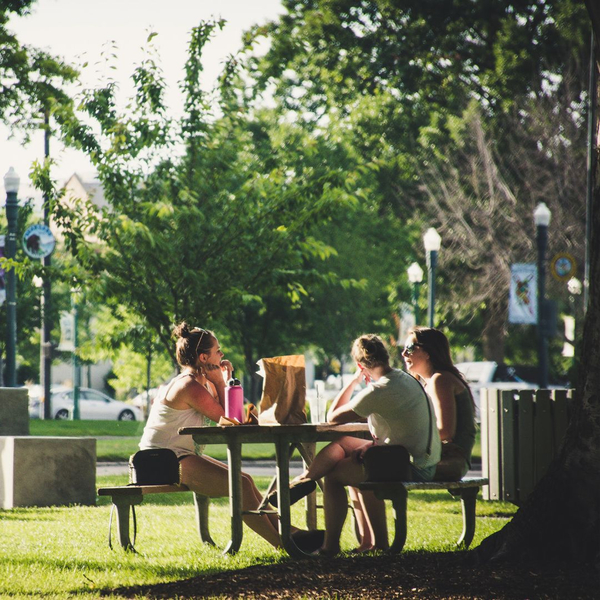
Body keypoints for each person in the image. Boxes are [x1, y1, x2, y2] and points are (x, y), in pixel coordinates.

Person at [268, 333, 441, 555]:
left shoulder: (380, 390)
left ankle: (330, 547)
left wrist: (353, 380)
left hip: (412, 466)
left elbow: (332, 416)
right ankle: (305, 479)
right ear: (386, 356)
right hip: (418, 458)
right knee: (343, 443)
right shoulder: (405, 378)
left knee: (333, 476)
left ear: (361, 365)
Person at [139, 322, 281, 548]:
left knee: (245, 480)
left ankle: (290, 535)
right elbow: (230, 421)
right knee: (241, 486)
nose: (222, 354)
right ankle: (283, 544)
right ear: (204, 358)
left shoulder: (202, 384)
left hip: (177, 455)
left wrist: (224, 381)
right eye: (217, 351)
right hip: (158, 461)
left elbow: (236, 414)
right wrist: (220, 381)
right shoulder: (189, 386)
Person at [402, 326, 477, 481]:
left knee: (377, 470)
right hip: (440, 457)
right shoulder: (429, 383)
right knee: (369, 466)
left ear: (428, 352)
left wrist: (406, 440)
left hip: (452, 461)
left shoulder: (440, 380)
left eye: (410, 348)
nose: (404, 353)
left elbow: (445, 432)